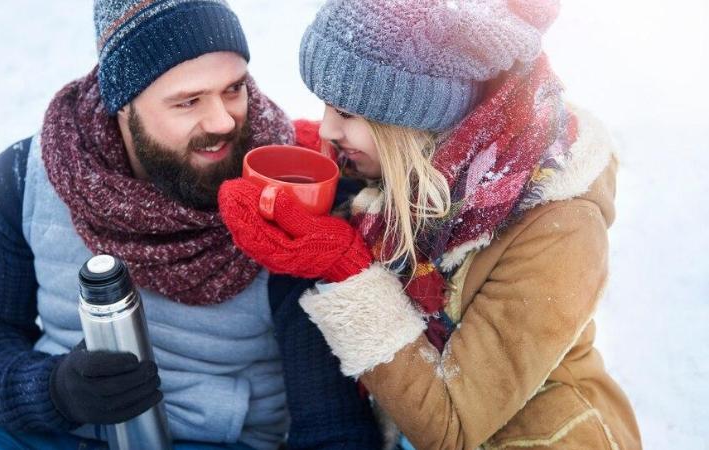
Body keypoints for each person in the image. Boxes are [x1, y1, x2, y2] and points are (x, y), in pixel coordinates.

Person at [0, 1, 385, 449]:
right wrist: (54, 390)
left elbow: (332, 429)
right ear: (123, 105)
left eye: (233, 88)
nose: (223, 120)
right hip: (50, 431)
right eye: (188, 102)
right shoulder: (27, 177)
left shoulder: (284, 194)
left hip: (213, 441)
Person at [218, 0, 643, 448]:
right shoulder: (427, 165)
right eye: (326, 106)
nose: (326, 130)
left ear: (414, 118)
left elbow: (451, 429)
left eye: (345, 113)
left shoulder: (558, 230)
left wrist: (348, 271)